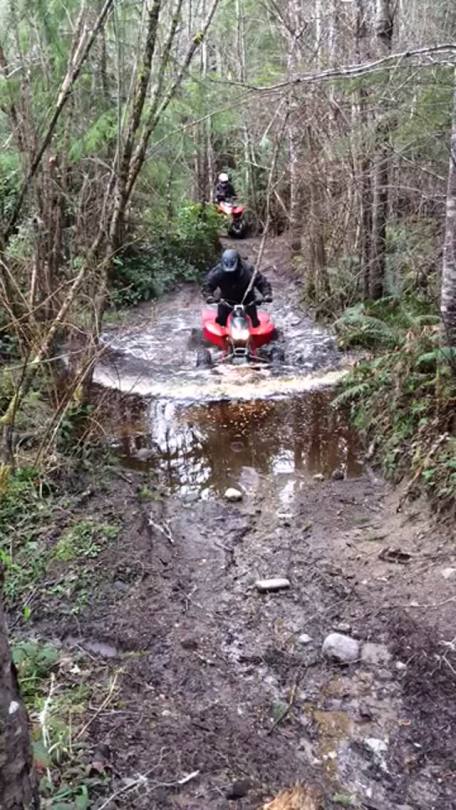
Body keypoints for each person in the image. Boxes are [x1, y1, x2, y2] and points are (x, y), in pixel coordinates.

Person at [203, 248, 272, 328]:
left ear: (239, 265)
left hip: (248, 302)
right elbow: (208, 285)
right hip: (226, 302)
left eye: (233, 272)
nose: (230, 274)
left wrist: (266, 294)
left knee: (255, 325)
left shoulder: (249, 271)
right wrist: (209, 296)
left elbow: (262, 282)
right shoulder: (217, 272)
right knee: (221, 323)